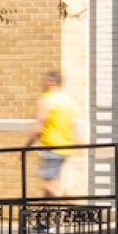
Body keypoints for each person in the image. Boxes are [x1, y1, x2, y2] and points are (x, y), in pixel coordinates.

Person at [27, 69, 82, 200]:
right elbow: (75, 125)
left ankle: (69, 202)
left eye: (45, 82)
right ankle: (47, 219)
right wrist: (79, 145)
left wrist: (27, 145)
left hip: (52, 147)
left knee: (48, 185)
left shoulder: (47, 100)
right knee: (53, 183)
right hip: (66, 147)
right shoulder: (68, 101)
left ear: (51, 83)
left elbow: (39, 125)